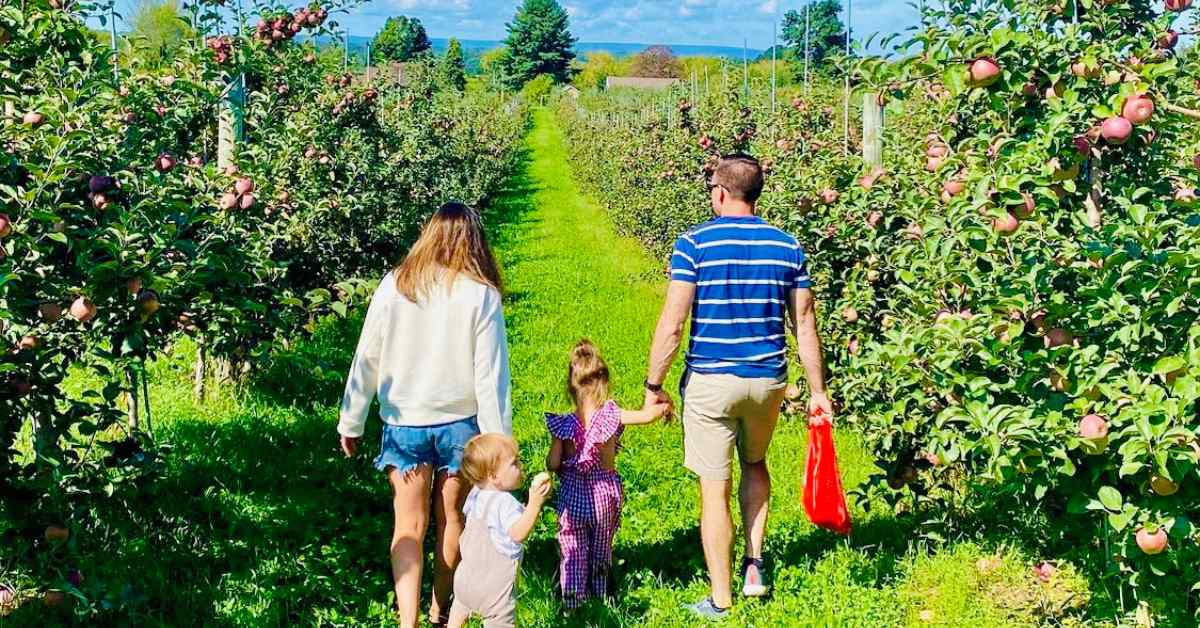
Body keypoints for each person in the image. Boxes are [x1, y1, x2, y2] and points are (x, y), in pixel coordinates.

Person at [642, 155, 832, 619]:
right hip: (767, 380)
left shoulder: (693, 244)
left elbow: (673, 322)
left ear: (722, 193)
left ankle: (721, 597)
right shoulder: (788, 247)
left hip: (710, 379)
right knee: (755, 461)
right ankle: (754, 564)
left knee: (714, 489)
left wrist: (654, 384)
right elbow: (803, 321)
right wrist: (817, 389)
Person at [337, 202, 512, 628]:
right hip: (460, 425)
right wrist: (499, 443)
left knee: (408, 525)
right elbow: (490, 376)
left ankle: (406, 621)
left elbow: (368, 356)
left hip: (405, 422)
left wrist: (352, 419)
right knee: (452, 519)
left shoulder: (396, 284)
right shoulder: (480, 293)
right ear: (475, 242)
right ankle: (440, 609)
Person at [544, 340, 670, 609]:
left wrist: (559, 451)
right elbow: (647, 416)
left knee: (573, 547)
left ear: (570, 386)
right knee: (601, 548)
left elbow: (553, 463)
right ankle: (600, 594)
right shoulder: (612, 415)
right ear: (604, 382)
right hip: (604, 496)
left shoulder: (563, 425)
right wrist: (664, 406)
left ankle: (573, 602)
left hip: (572, 497)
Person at [449, 434, 552, 628]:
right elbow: (517, 534)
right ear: (494, 476)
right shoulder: (505, 503)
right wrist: (534, 504)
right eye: (514, 463)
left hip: (465, 581)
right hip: (494, 590)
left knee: (458, 614)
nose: (520, 466)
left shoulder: (475, 494)